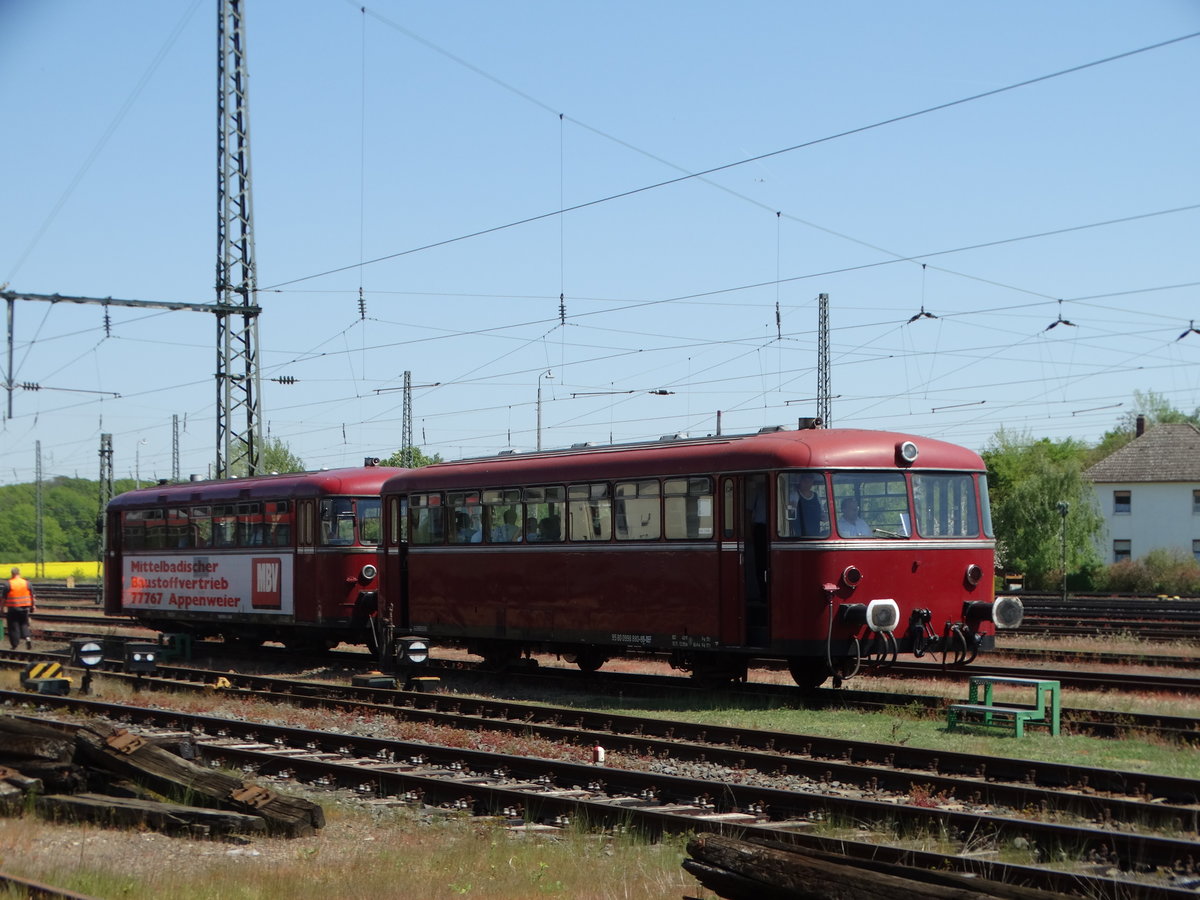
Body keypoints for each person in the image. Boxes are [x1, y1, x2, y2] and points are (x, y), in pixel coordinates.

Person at [3, 566, 35, 650]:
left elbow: (3, 598)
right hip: (25, 608)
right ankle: (27, 638)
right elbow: (32, 596)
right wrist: (33, 606)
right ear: (19, 573)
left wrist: (1, 608)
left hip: (13, 608)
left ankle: (15, 644)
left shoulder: (8, 584)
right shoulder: (27, 583)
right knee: (24, 624)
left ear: (12, 574)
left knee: (14, 626)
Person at [787, 472, 825, 537]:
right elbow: (790, 514)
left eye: (810, 481)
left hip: (816, 534)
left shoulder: (816, 496)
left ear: (812, 483)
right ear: (800, 481)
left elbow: (822, 515)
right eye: (805, 481)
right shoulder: (794, 495)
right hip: (799, 534)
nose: (807, 484)